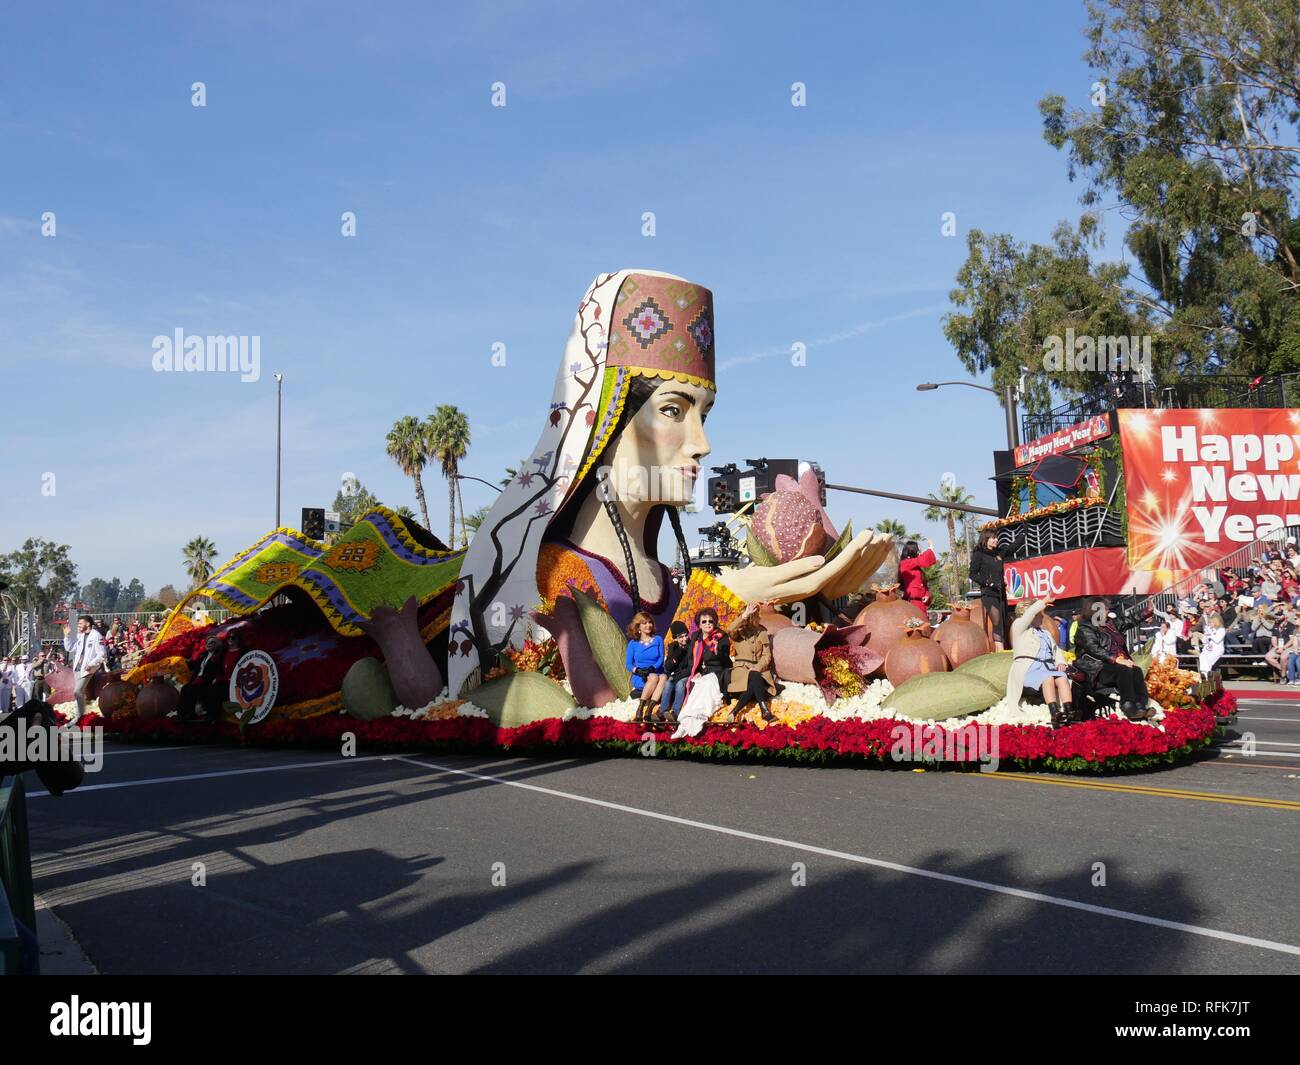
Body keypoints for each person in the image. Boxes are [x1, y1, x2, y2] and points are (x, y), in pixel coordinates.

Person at [1073, 596, 1153, 721]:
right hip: (1098, 668)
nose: (1108, 611)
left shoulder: (1111, 624)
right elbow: (1094, 649)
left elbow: (1129, 620)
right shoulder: (1085, 628)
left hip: (1116, 665)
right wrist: (1116, 659)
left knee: (1136, 670)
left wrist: (1146, 611)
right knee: (1123, 669)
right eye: (1105, 609)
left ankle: (1141, 705)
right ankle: (1128, 706)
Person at [1006, 597, 1073, 729]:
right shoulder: (1019, 627)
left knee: (1062, 677)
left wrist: (1060, 662)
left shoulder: (1045, 633)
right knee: (1047, 678)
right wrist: (1042, 602)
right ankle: (1055, 713)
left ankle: (1069, 711)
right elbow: (1029, 614)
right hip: (1029, 669)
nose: (1043, 618)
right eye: (1040, 615)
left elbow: (1056, 650)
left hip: (1047, 667)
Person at [724, 603, 777, 723]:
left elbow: (766, 655)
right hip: (741, 670)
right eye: (753, 615)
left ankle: (735, 711)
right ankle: (765, 711)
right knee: (754, 677)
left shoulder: (762, 631)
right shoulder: (737, 631)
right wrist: (744, 615)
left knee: (754, 679)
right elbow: (729, 630)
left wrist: (757, 667)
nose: (757, 617)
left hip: (759, 671)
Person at [62, 614, 105, 725]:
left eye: (80, 623)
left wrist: (91, 664)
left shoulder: (97, 636)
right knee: (78, 693)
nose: (78, 625)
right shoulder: (80, 636)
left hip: (88, 669)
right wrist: (66, 637)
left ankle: (79, 716)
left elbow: (102, 654)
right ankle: (80, 714)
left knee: (77, 691)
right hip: (77, 668)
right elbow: (70, 648)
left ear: (88, 624)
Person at [625, 611, 665, 724]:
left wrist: (652, 668)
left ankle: (649, 710)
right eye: (644, 623)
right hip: (640, 675)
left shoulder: (658, 639)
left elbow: (661, 659)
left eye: (650, 622)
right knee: (653, 677)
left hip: (655, 670)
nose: (648, 625)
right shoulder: (633, 643)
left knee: (663, 677)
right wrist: (637, 670)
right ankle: (640, 708)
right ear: (638, 627)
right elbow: (628, 664)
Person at [177, 635, 229, 724]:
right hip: (198, 679)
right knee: (184, 688)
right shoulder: (203, 655)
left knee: (191, 689)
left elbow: (218, 669)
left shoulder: (219, 655)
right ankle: (183, 713)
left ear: (217, 645)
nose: (209, 644)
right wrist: (189, 662)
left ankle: (190, 714)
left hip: (208, 680)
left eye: (212, 642)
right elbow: (195, 667)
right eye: (208, 643)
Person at [969, 533, 1007, 650]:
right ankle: (1000, 652)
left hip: (1000, 592)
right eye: (993, 538)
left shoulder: (998, 552)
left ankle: (1002, 650)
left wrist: (1023, 532)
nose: (996, 540)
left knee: (1003, 623)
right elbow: (972, 574)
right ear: (986, 539)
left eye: (996, 537)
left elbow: (1013, 547)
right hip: (988, 592)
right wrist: (987, 582)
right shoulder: (979, 554)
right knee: (997, 621)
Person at [655, 620, 692, 725]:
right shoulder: (673, 647)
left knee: (680, 685)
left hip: (686, 673)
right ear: (675, 638)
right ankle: (662, 712)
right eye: (681, 637)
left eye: (686, 635)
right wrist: (677, 654)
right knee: (668, 683)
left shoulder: (691, 646)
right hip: (675, 674)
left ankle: (676, 712)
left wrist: (678, 676)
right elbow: (668, 666)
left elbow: (691, 667)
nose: (684, 639)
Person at [897, 538, 937, 615]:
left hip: (920, 603)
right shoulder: (905, 563)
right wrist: (930, 547)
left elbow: (924, 586)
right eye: (917, 550)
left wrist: (927, 595)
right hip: (912, 602)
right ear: (912, 550)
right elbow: (922, 560)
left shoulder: (915, 566)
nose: (919, 552)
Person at [1198, 614, 1226, 678]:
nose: (1210, 624)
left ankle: (1207, 676)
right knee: (1202, 657)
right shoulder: (1211, 630)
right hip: (1208, 649)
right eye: (1209, 622)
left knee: (1208, 661)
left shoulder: (1221, 630)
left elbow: (1217, 640)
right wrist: (1205, 636)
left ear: (1216, 622)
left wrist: (1210, 634)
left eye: (1211, 622)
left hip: (1217, 649)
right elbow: (1205, 641)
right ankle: (1204, 674)